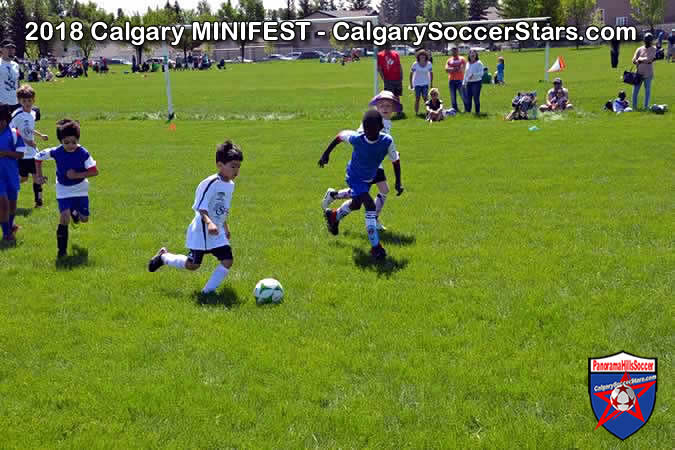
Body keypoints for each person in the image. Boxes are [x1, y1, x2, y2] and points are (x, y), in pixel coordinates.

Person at [148, 140, 242, 295]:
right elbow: (200, 206)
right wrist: (210, 222)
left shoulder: (230, 185)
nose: (236, 170)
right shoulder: (210, 183)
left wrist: (225, 227)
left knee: (228, 260)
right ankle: (164, 257)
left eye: (238, 166)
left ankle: (207, 292)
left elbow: (222, 208)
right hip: (202, 230)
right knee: (193, 265)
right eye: (233, 166)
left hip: (216, 230)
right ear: (220, 165)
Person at [319, 110, 403, 260]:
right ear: (363, 129)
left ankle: (333, 216)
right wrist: (326, 154)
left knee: (356, 204)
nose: (369, 134)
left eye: (373, 130)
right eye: (367, 130)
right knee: (369, 206)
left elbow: (395, 161)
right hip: (354, 176)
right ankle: (376, 248)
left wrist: (398, 181)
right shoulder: (357, 138)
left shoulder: (387, 141)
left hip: (370, 175)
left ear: (381, 127)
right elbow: (340, 136)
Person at [322, 90, 402, 231]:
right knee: (361, 198)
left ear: (393, 109)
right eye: (382, 105)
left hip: (375, 164)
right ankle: (341, 212)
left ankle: (335, 197)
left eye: (388, 106)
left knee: (380, 191)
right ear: (376, 107)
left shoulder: (387, 122)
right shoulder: (373, 120)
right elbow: (361, 134)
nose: (385, 108)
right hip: (365, 165)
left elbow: (386, 144)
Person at [35, 119, 98, 258]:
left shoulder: (83, 153)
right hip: (63, 189)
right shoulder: (56, 152)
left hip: (80, 189)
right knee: (64, 217)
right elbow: (38, 157)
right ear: (61, 141)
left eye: (74, 142)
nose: (70, 145)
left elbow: (94, 171)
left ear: (78, 140)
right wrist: (38, 176)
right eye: (66, 142)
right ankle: (61, 251)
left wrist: (77, 175)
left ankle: (75, 212)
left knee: (84, 219)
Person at [10, 85, 49, 207]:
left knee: (37, 177)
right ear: (19, 101)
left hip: (33, 153)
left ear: (34, 100)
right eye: (24, 101)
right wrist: (27, 142)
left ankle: (39, 201)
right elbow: (11, 131)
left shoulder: (33, 113)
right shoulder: (17, 114)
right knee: (23, 178)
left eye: (29, 100)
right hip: (22, 153)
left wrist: (40, 135)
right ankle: (6, 188)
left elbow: (28, 129)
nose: (27, 103)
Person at [0, 105, 24, 242]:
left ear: (6, 120)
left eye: (1, 121)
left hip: (11, 174)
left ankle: (10, 226)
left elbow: (20, 154)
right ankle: (6, 233)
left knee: (12, 204)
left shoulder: (14, 134)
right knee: (3, 203)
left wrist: (6, 153)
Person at [632, 33, 657, 110]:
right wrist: (637, 61)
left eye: (649, 40)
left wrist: (640, 59)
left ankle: (646, 107)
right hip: (638, 73)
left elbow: (650, 59)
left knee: (647, 91)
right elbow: (633, 60)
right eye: (646, 40)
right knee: (635, 91)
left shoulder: (653, 49)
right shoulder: (639, 49)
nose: (647, 41)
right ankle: (634, 107)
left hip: (648, 74)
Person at [377, 43, 403, 112]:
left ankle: (399, 110)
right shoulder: (380, 55)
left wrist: (401, 75)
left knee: (397, 95)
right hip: (388, 79)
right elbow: (379, 68)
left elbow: (399, 65)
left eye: (389, 45)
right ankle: (388, 110)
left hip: (397, 78)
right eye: (386, 45)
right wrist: (383, 78)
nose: (388, 47)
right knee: (388, 96)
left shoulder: (395, 54)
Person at [409, 49, 433, 116]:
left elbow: (431, 74)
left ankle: (428, 112)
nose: (422, 57)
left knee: (426, 98)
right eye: (421, 55)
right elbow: (411, 74)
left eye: (423, 55)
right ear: (418, 56)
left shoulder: (429, 64)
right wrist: (411, 84)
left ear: (426, 56)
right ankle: (416, 113)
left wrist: (431, 83)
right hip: (417, 84)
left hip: (425, 83)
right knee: (417, 98)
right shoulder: (415, 64)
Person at [444, 45, 466, 112]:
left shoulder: (462, 59)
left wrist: (452, 69)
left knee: (463, 95)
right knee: (453, 96)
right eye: (453, 51)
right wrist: (455, 68)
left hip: (460, 80)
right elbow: (446, 69)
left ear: (458, 51)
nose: (454, 52)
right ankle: (454, 109)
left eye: (455, 51)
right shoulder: (449, 60)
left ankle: (467, 108)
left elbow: (462, 69)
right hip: (451, 80)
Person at [462, 50, 484, 115]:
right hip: (468, 83)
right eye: (471, 54)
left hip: (476, 83)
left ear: (476, 55)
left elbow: (481, 73)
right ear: (469, 55)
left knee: (476, 98)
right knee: (468, 98)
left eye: (473, 54)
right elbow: (466, 73)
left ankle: (477, 112)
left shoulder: (479, 63)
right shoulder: (468, 63)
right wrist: (464, 82)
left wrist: (474, 75)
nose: (472, 55)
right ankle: (468, 112)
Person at [0, 40, 20, 111]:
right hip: (2, 103)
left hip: (15, 103)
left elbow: (18, 84)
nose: (11, 50)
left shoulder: (16, 65)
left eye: (13, 48)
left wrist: (20, 99)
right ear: (1, 49)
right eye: (8, 48)